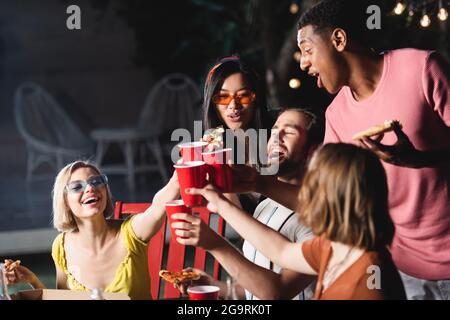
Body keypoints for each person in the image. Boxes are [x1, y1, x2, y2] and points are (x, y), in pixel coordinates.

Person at [295, 0, 450, 299]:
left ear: (338, 40)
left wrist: (421, 159)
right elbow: (330, 196)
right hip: (405, 272)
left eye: (308, 49)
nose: (303, 63)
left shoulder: (422, 68)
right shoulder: (336, 116)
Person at [184, 143, 407, 300]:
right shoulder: (334, 247)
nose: (303, 195)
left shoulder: (371, 278)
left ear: (337, 200)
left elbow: (276, 286)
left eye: (312, 186)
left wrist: (215, 240)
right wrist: (220, 204)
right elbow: (280, 251)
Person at [173, 108, 323, 300]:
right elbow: (255, 289)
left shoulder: (321, 217)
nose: (277, 138)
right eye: (274, 131)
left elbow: (278, 292)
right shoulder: (265, 205)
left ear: (314, 150)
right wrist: (213, 285)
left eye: (290, 132)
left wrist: (216, 245)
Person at [4, 160, 180, 300]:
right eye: (76, 187)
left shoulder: (131, 232)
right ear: (64, 201)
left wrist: (179, 176)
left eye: (96, 182)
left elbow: (158, 206)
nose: (90, 188)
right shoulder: (61, 246)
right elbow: (63, 299)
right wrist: (33, 280)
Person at [202, 55, 275, 214]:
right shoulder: (212, 144)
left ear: (256, 98)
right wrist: (220, 167)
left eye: (243, 95)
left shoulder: (278, 133)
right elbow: (232, 216)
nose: (234, 105)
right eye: (222, 97)